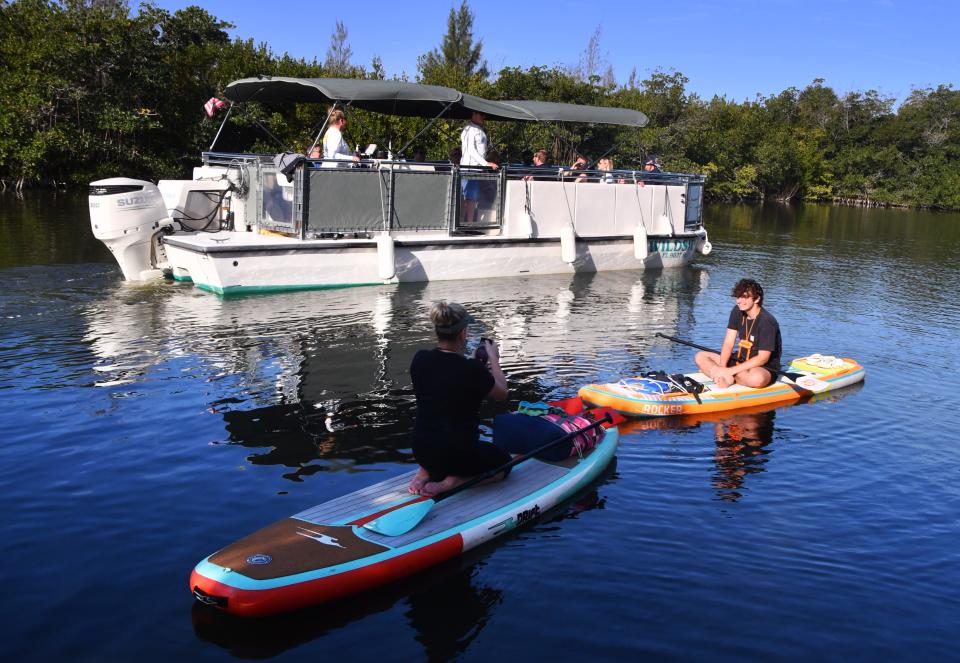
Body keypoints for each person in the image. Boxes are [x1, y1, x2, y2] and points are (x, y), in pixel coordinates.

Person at [409, 301, 509, 497]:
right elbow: (503, 393)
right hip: (457, 454)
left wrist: (473, 365)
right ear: (463, 333)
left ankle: (424, 472)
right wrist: (494, 359)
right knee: (504, 463)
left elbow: (445, 379)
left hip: (421, 448)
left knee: (436, 424)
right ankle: (453, 482)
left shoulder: (420, 358)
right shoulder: (471, 369)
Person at [694, 278, 782, 388]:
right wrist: (723, 367)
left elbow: (762, 358)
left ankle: (716, 374)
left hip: (762, 367)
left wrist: (729, 371)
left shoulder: (767, 322)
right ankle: (723, 375)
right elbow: (728, 343)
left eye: (744, 297)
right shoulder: (737, 311)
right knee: (700, 356)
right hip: (740, 359)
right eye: (738, 297)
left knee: (757, 379)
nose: (739, 301)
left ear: (757, 299)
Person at [460, 111, 498, 224]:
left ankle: (465, 223)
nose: (484, 117)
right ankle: (468, 224)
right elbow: (471, 150)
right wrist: (486, 163)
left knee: (470, 198)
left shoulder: (478, 129)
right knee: (469, 198)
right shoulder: (470, 129)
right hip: (470, 168)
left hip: (476, 168)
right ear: (474, 114)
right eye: (481, 114)